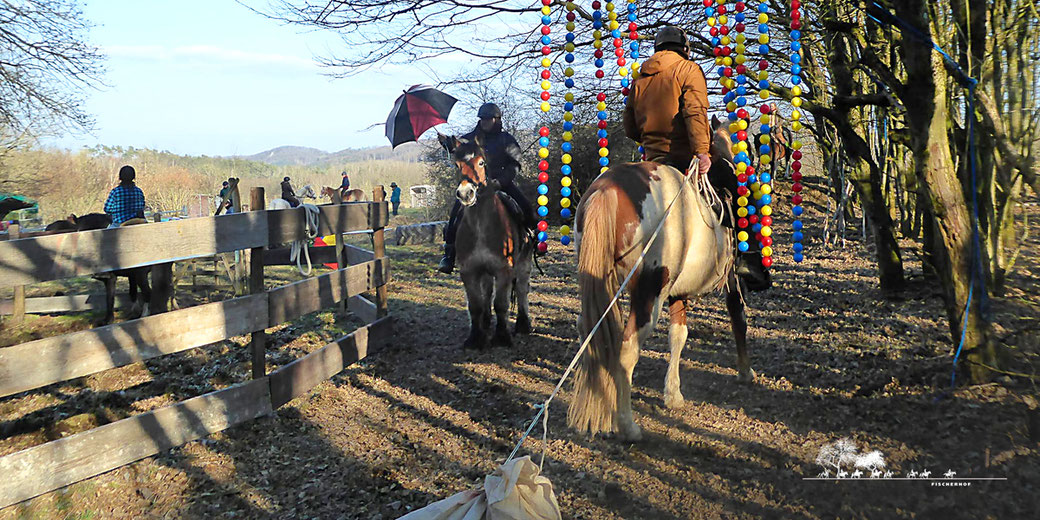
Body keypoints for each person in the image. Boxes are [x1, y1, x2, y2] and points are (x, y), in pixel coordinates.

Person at [623, 25, 771, 290]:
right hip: (683, 157)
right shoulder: (688, 70)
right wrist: (702, 152)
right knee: (741, 191)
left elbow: (630, 128)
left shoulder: (640, 78)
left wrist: (651, 143)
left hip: (652, 159)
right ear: (684, 48)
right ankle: (749, 259)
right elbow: (694, 113)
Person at [437, 102, 537, 274]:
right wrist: (447, 143)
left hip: (501, 183)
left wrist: (501, 181)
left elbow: (515, 165)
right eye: (482, 119)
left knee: (526, 208)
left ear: (496, 120)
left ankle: (532, 242)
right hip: (476, 185)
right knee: (455, 215)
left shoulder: (507, 140)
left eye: (488, 119)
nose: (484, 122)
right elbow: (458, 151)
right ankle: (449, 254)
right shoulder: (470, 138)